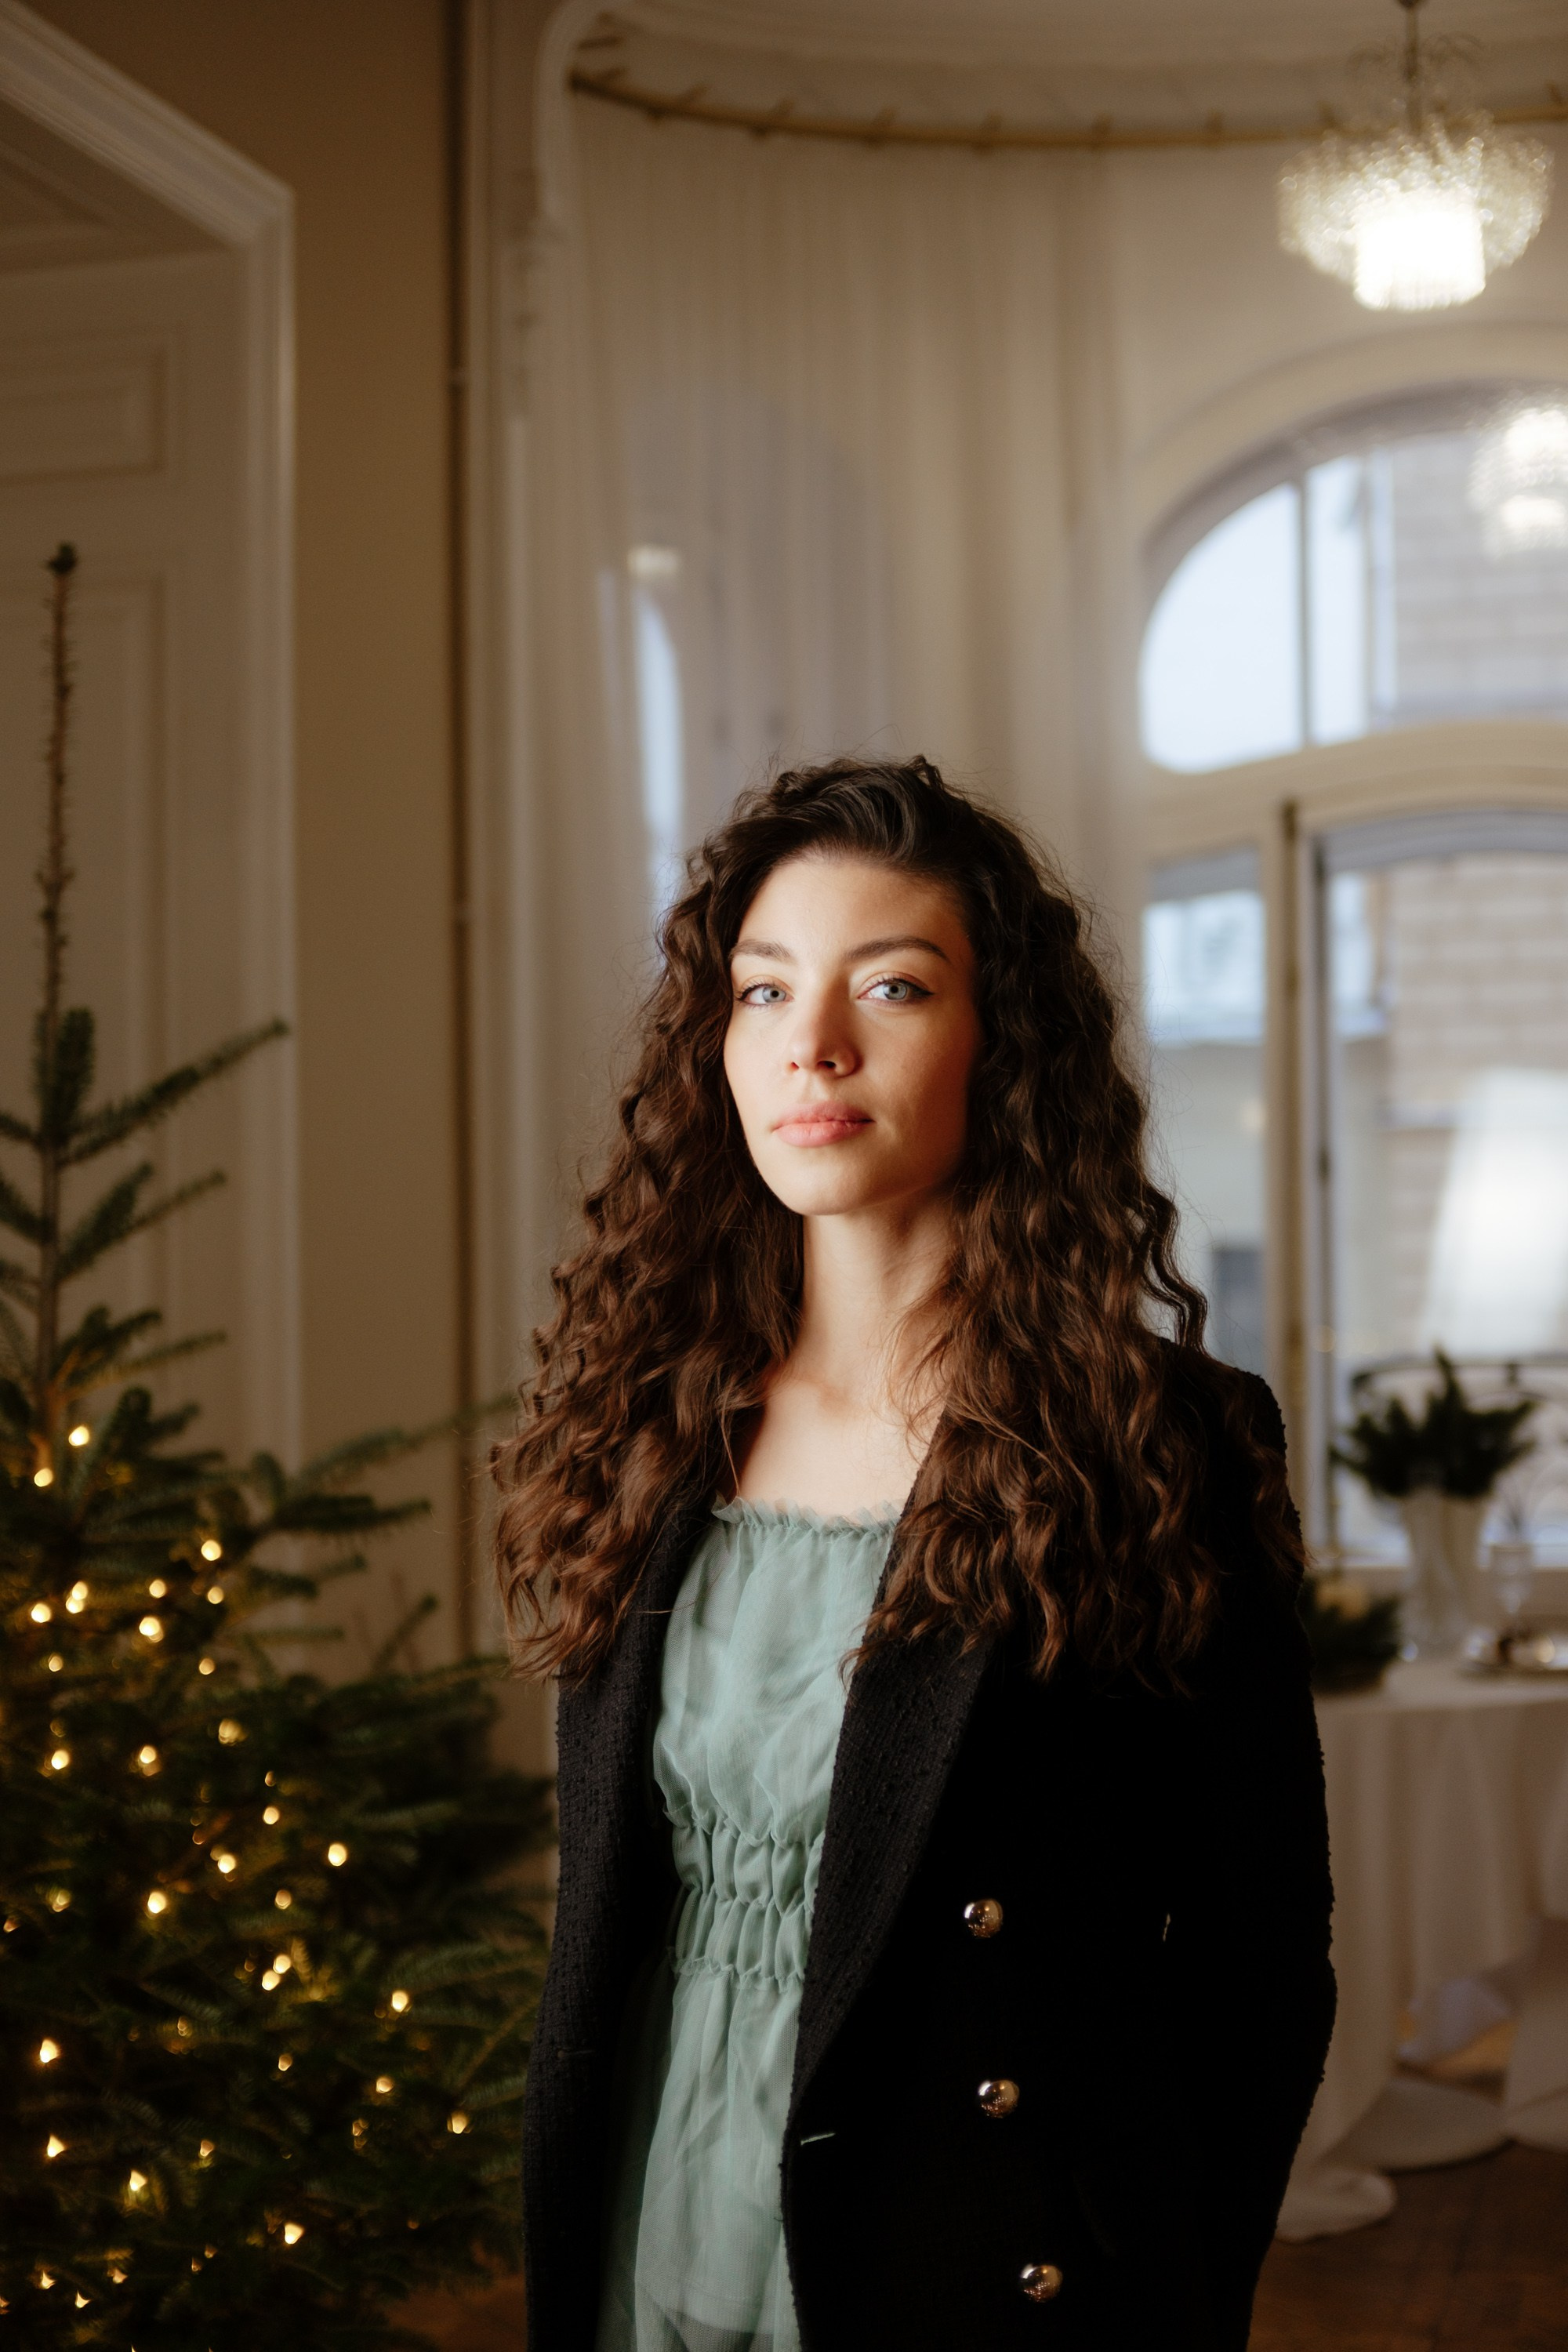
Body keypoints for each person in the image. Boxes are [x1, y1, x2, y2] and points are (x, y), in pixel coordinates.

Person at [494, 757, 1334, 2352]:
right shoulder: (657, 1426)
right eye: (760, 992)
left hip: (982, 2259)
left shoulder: (1160, 1442)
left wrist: (1171, 2296)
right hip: (648, 2219)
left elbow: (1257, 1961)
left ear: (999, 1042)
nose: (811, 1046)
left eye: (890, 986)